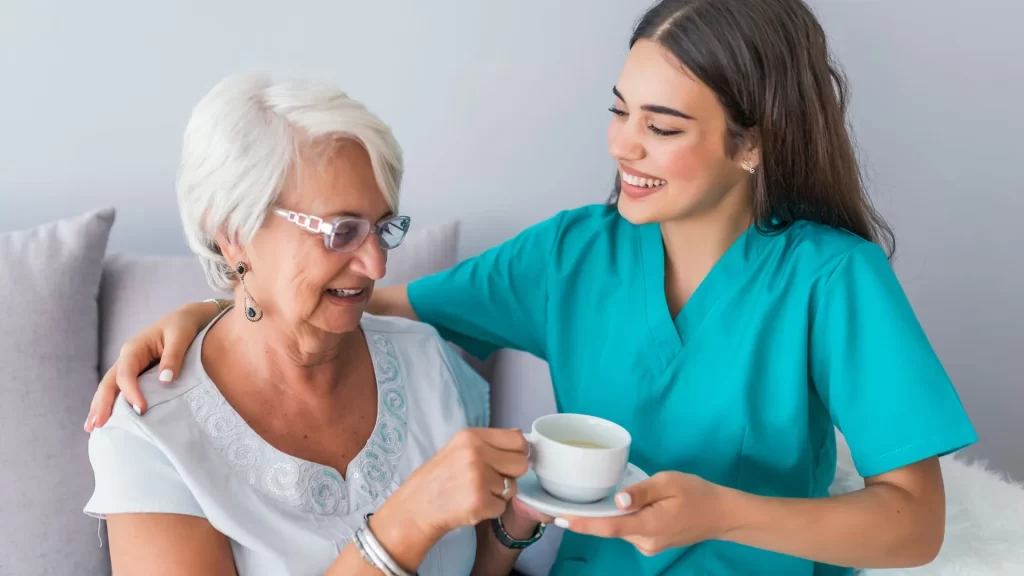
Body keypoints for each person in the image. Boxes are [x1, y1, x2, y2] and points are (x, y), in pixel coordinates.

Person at [86, 0, 978, 574]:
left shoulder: (832, 279)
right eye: (618, 111)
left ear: (752, 143)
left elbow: (913, 525)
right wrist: (210, 305)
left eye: (662, 126)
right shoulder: (571, 256)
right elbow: (364, 295)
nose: (623, 147)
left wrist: (722, 513)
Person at [82, 73, 548, 576]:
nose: (376, 265)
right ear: (235, 233)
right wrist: (406, 523)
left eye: (383, 229)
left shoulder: (425, 358)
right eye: (341, 231)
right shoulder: (150, 432)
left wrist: (513, 524)